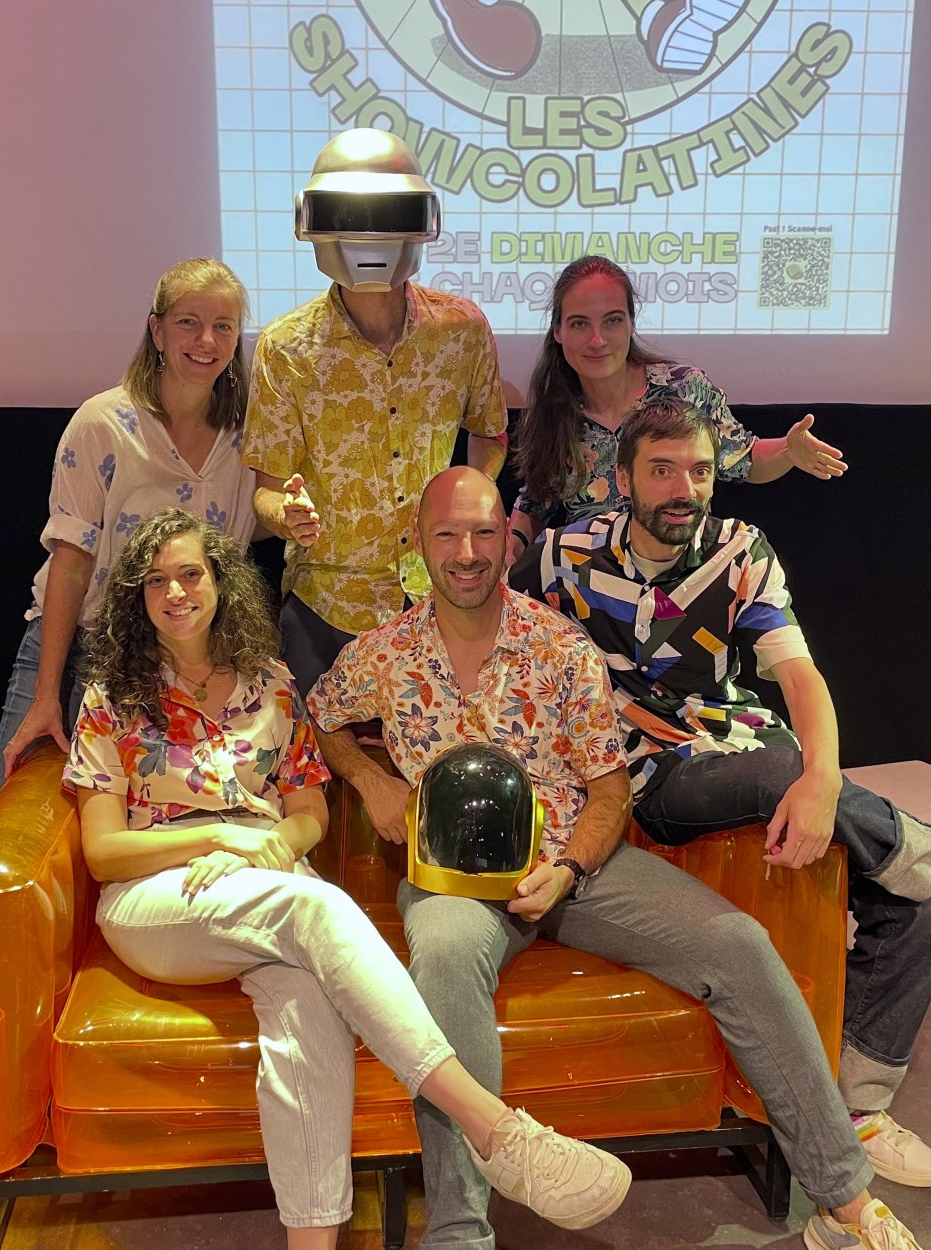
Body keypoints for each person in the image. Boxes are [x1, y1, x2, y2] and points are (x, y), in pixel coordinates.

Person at [309, 466, 922, 1250]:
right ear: (418, 543)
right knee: (445, 959)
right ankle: (460, 1235)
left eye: (485, 532)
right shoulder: (383, 654)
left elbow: (608, 789)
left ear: (506, 542)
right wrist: (371, 781)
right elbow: (321, 716)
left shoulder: (559, 647)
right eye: (447, 534)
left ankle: (844, 1205)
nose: (467, 552)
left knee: (740, 945)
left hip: (576, 865)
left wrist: (569, 868)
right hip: (455, 879)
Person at [62, 506, 632, 1250]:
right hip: (161, 895)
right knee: (315, 907)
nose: (175, 592)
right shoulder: (112, 697)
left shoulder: (269, 684)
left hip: (264, 886)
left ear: (220, 582)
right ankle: (494, 1128)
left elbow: (309, 814)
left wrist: (269, 844)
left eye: (190, 574)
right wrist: (222, 835)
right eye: (156, 581)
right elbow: (104, 852)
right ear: (137, 597)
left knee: (310, 1016)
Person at [510, 397, 931, 1197]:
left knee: (912, 900)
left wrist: (824, 780)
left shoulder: (740, 548)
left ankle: (860, 1107)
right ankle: (918, 850)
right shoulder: (564, 556)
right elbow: (493, 633)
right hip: (645, 772)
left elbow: (798, 674)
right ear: (623, 478)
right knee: (788, 775)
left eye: (700, 471)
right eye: (663, 470)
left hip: (735, 741)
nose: (685, 489)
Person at [0, 257, 261, 806]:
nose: (206, 340)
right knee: (15, 815)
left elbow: (247, 538)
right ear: (156, 331)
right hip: (80, 648)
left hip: (182, 661)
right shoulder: (103, 424)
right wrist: (46, 694)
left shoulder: (248, 434)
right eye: (188, 322)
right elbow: (70, 564)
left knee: (145, 820)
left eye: (223, 326)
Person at [241, 127, 508, 695]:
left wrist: (469, 506)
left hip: (438, 595)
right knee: (317, 747)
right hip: (327, 603)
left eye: (388, 214)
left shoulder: (461, 331)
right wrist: (286, 513)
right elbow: (265, 490)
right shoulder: (286, 347)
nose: (369, 235)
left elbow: (491, 435)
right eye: (350, 215)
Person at [508, 254, 847, 561]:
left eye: (612, 321)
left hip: (683, 582)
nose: (597, 340)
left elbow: (743, 459)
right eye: (580, 323)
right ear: (558, 331)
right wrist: (508, 551)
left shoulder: (684, 389)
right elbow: (535, 502)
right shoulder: (552, 410)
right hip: (589, 587)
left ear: (631, 323)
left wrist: (787, 450)